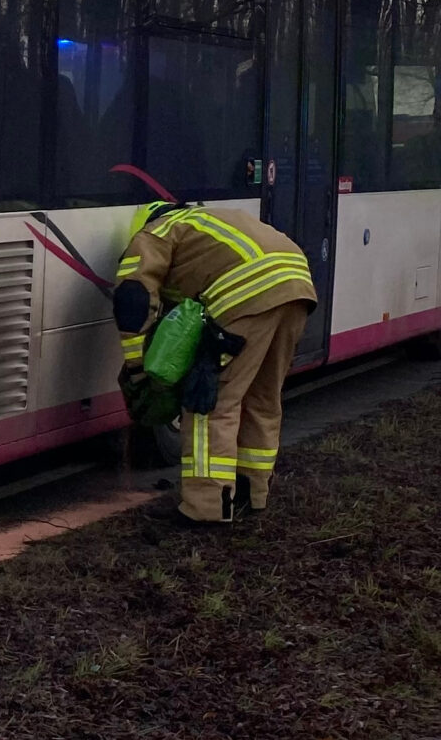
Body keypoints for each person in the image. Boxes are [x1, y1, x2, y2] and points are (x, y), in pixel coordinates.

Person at [114, 203, 317, 524]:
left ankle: (206, 508)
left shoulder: (154, 233)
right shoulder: (206, 221)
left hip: (245, 296)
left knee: (208, 401)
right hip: (297, 290)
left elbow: (133, 299)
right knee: (261, 399)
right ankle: (253, 494)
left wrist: (138, 367)